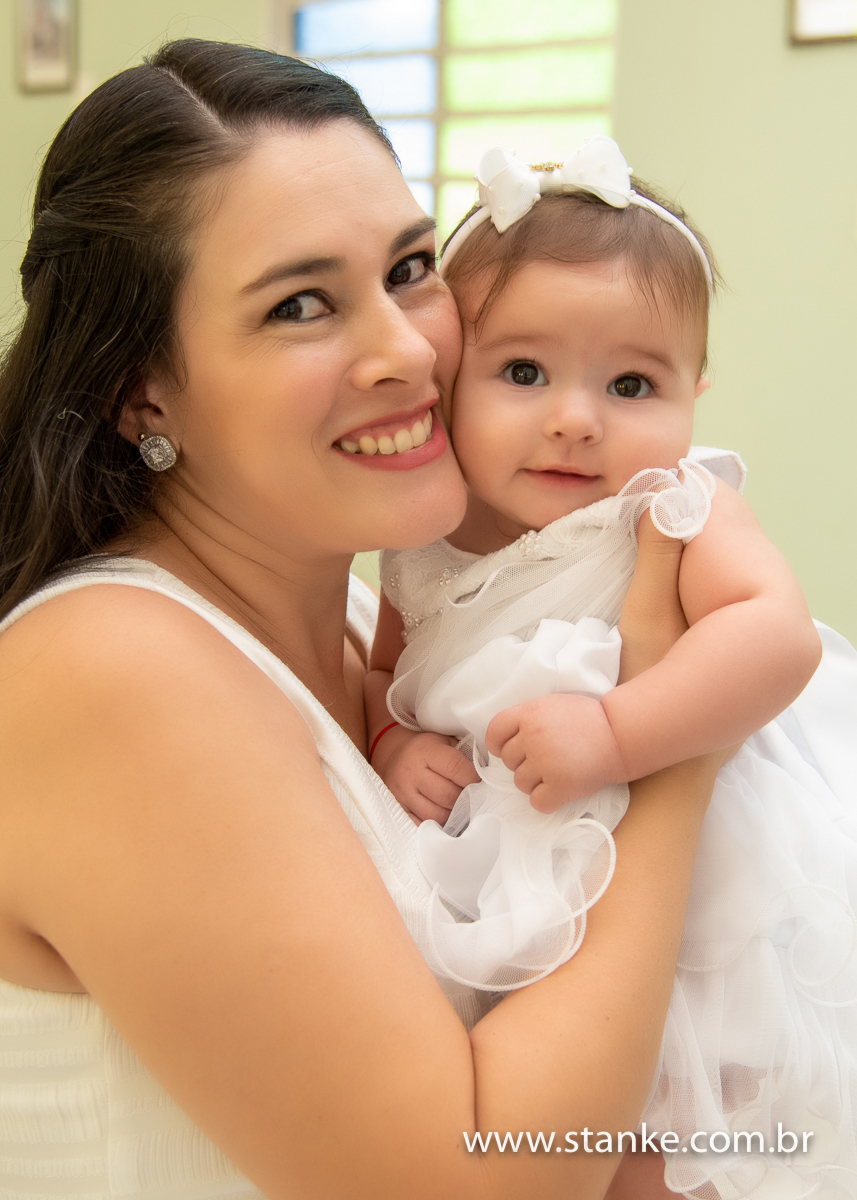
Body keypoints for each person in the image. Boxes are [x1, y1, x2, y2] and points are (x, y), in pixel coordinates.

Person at [0, 39, 729, 1200]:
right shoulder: (110, 674)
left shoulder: (365, 627)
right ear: (145, 386)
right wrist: (674, 738)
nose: (403, 349)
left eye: (406, 269)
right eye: (300, 305)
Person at [366, 141, 857, 1198]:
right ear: (449, 381)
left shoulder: (668, 508)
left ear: (695, 394)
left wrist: (618, 733)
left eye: (630, 382)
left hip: (703, 906)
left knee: (698, 1141)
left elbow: (772, 635)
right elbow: (382, 677)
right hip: (532, 900)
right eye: (523, 372)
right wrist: (395, 743)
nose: (575, 418)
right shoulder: (418, 541)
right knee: (561, 1131)